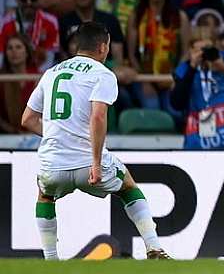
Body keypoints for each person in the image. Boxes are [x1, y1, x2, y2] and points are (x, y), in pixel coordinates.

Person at [21, 21, 170, 260]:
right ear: (102, 47)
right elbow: (98, 116)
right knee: (128, 187)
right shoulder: (102, 74)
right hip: (86, 161)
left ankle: (50, 261)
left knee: (45, 195)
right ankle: (154, 248)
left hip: (53, 162)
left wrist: (58, 134)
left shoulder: (51, 73)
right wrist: (96, 162)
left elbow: (27, 119)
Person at [58, 0, 125, 65]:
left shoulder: (110, 20)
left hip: (105, 70)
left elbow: (118, 57)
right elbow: (62, 54)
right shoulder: (64, 21)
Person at [0, 0, 59, 72]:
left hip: (40, 75)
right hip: (12, 75)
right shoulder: (5, 23)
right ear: (17, 0)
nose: (29, 2)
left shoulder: (51, 21)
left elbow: (50, 57)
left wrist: (34, 79)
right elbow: (1, 55)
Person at [0, 33, 38, 134]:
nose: (14, 51)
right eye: (10, 48)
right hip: (7, 137)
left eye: (18, 47)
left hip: (36, 136)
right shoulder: (1, 79)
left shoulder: (39, 78)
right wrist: (14, 131)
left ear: (26, 52)